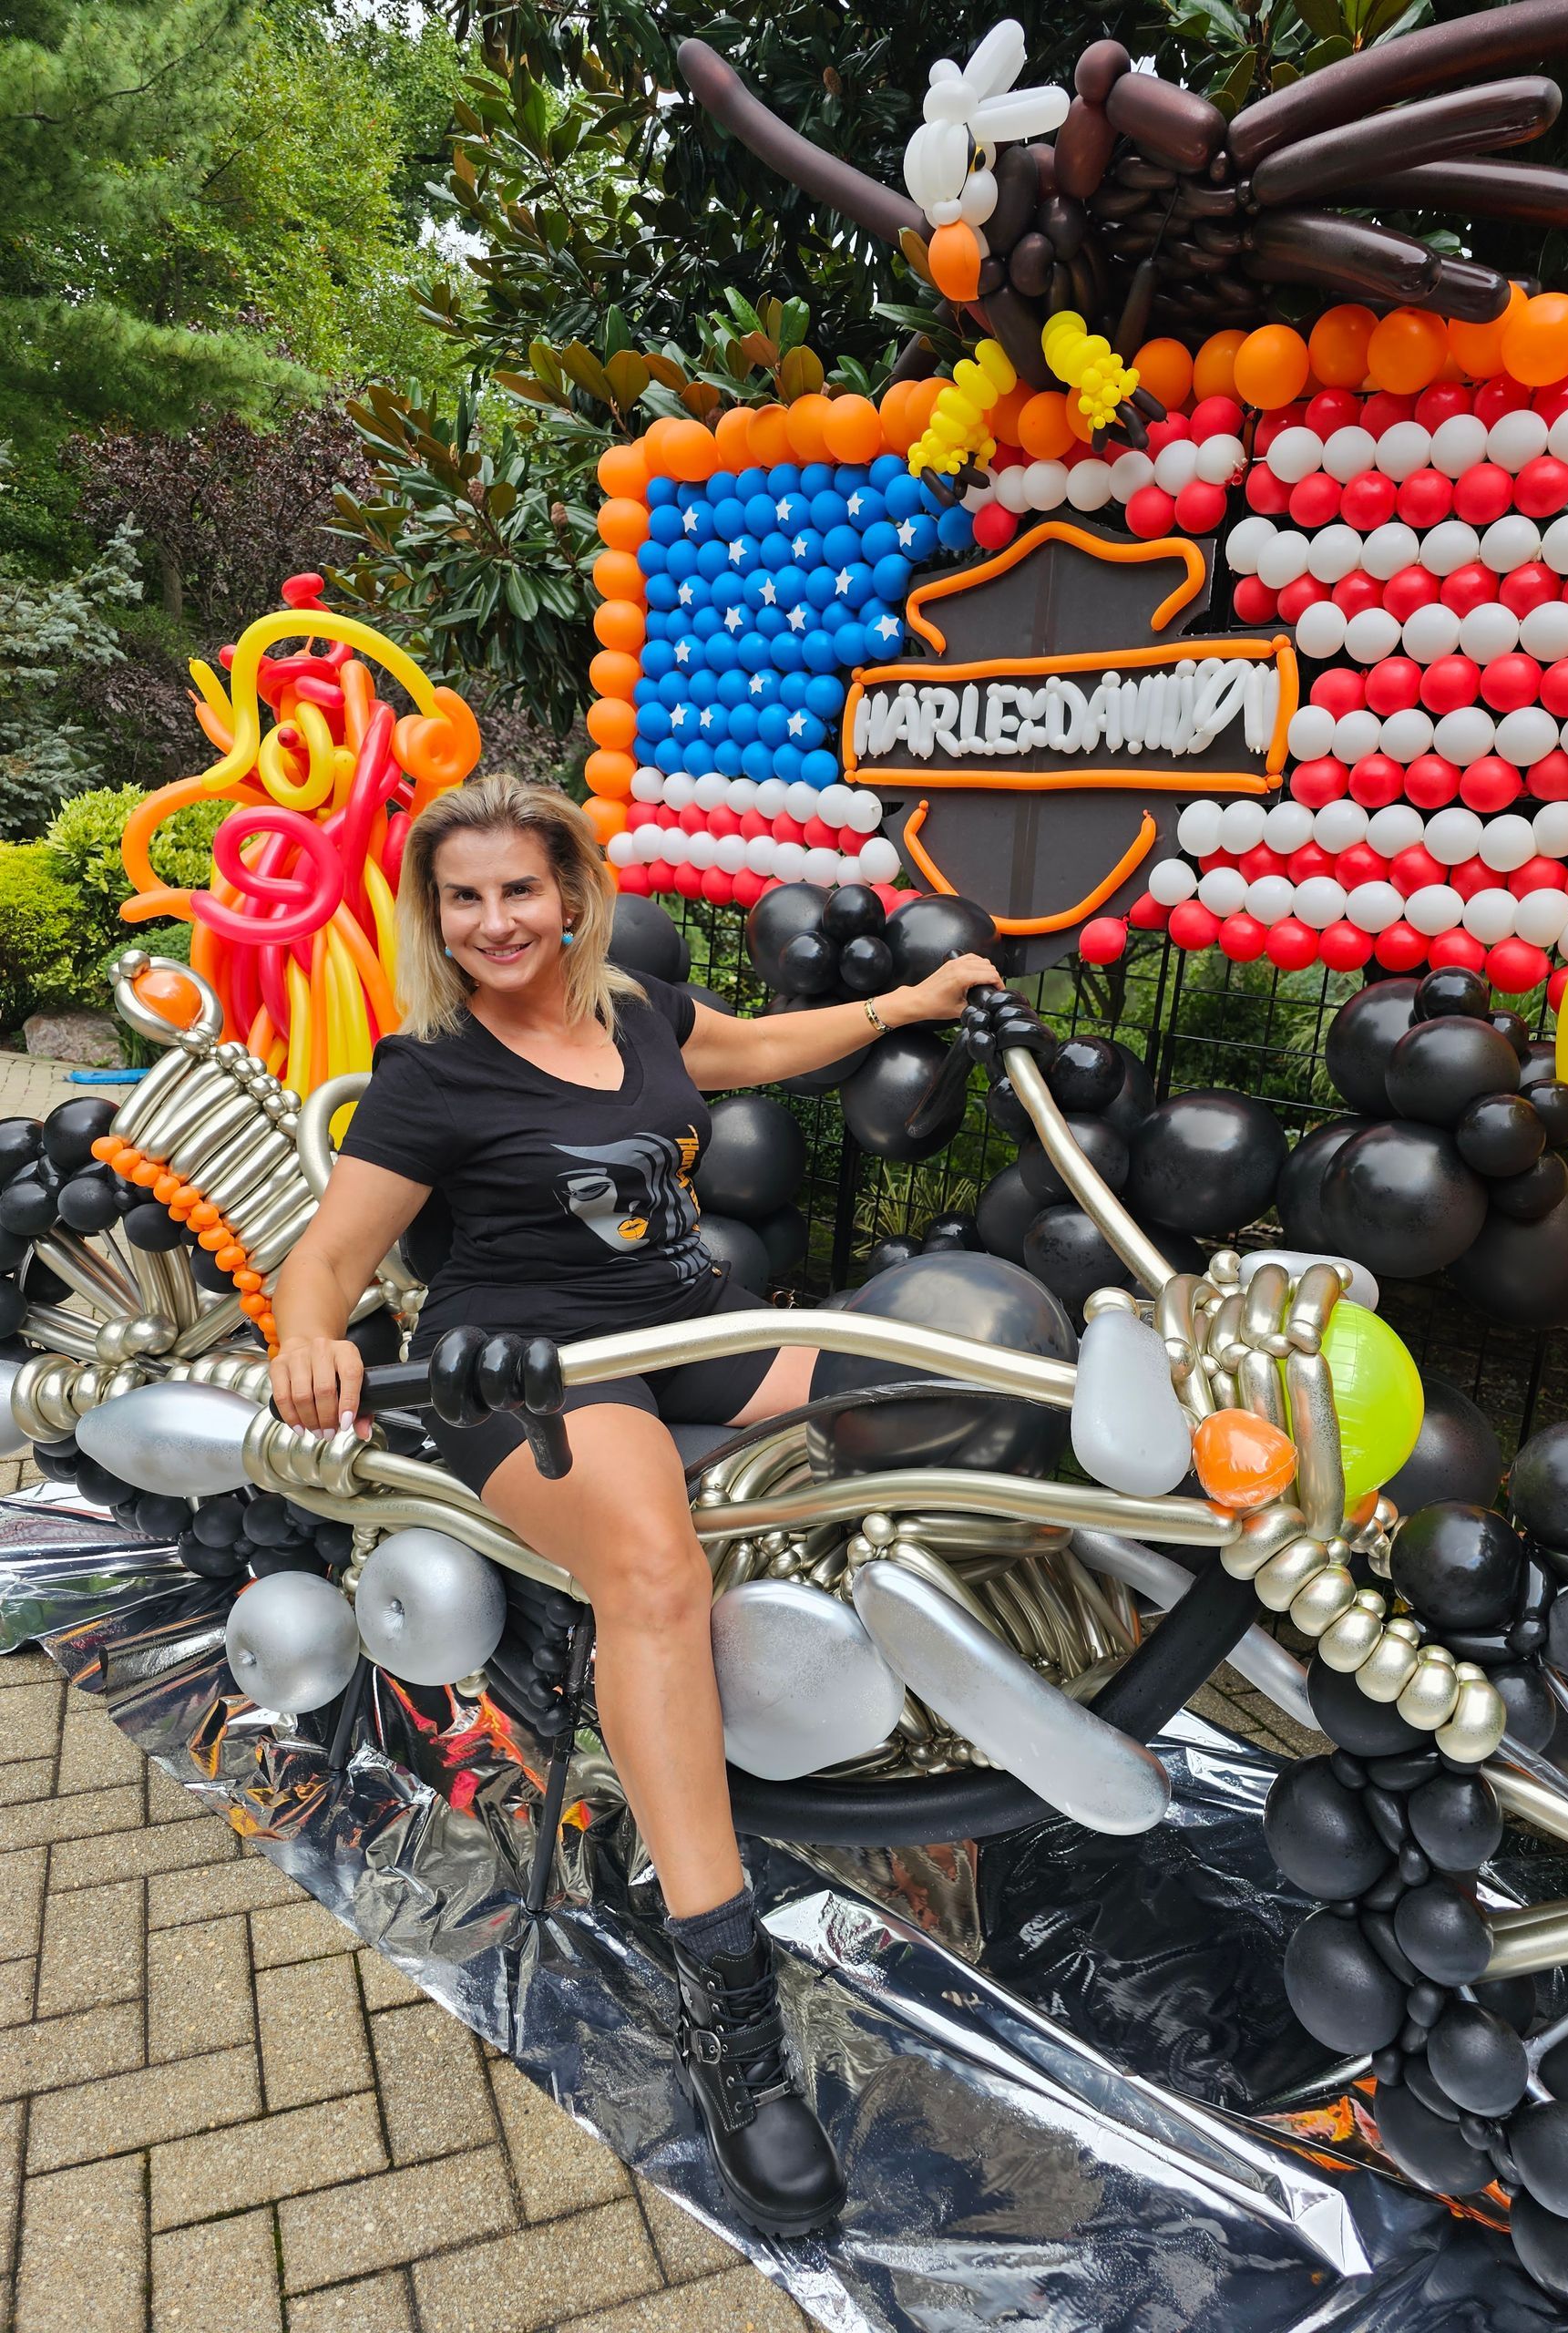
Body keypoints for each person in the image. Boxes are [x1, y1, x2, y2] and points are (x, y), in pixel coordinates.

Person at [269, 773, 999, 2237]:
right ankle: (726, 2001)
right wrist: (309, 1339)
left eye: (517, 891)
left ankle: (960, 1709)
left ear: (573, 890)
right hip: (525, 1367)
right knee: (656, 1575)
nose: (494, 922)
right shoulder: (431, 1075)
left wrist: (900, 1015)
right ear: (435, 915)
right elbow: (330, 1260)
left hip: (685, 1321)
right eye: (462, 898)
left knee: (947, 1383)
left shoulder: (639, 1015)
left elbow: (759, 1045)